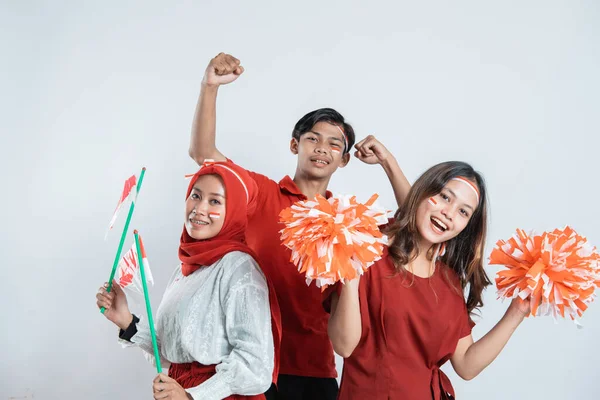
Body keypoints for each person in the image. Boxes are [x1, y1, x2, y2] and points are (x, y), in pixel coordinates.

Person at [188, 52, 411, 400]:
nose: (323, 148)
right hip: (249, 361)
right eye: (313, 138)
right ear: (295, 145)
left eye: (334, 143)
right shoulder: (262, 194)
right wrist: (209, 87)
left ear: (344, 159)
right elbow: (204, 154)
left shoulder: (349, 222)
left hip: (314, 369)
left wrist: (388, 160)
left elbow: (414, 225)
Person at [327, 161, 529, 400]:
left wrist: (517, 311)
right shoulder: (368, 253)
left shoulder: (450, 282)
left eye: (463, 211)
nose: (449, 213)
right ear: (423, 191)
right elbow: (343, 346)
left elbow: (466, 364)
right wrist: (351, 277)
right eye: (445, 197)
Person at [96, 160, 281, 400]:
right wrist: (126, 321)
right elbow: (171, 351)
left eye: (215, 201)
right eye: (195, 195)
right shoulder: (184, 270)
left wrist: (194, 396)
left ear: (233, 210)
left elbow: (255, 363)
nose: (199, 208)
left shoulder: (238, 266)